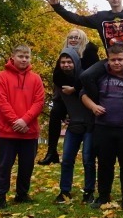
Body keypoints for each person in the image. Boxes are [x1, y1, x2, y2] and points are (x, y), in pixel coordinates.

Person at [82, 45, 123, 211]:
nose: (116, 63)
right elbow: (83, 94)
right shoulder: (100, 76)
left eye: (120, 59)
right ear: (107, 60)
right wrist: (93, 107)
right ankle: (103, 197)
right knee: (104, 164)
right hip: (103, 128)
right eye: (113, 60)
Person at [0, 44, 45, 208]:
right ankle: (1, 196)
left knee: (27, 165)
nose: (24, 60)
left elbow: (39, 102)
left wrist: (25, 120)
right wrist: (16, 121)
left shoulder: (35, 78)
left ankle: (22, 194)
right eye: (21, 56)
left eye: (27, 57)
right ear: (13, 57)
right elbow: (1, 102)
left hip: (29, 131)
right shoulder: (2, 77)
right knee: (4, 165)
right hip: (7, 131)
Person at [38, 29, 99, 165]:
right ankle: (51, 151)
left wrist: (75, 88)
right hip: (67, 93)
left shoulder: (89, 51)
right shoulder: (64, 54)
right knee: (55, 113)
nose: (73, 39)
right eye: (70, 37)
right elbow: (57, 76)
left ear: (82, 38)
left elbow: (90, 75)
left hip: (84, 92)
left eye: (76, 37)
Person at [53, 46, 96, 204]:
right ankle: (65, 191)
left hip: (90, 124)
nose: (66, 65)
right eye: (63, 62)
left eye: (69, 61)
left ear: (76, 62)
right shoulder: (59, 81)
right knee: (67, 159)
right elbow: (59, 102)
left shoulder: (86, 78)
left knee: (88, 159)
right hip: (73, 125)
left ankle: (89, 191)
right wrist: (63, 116)